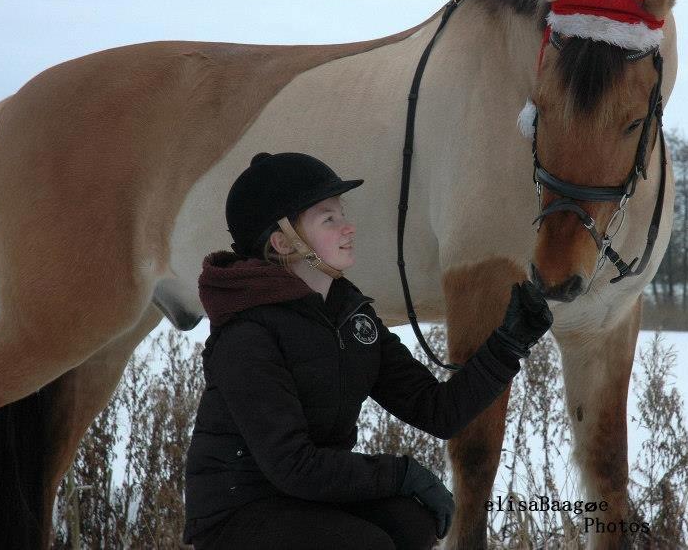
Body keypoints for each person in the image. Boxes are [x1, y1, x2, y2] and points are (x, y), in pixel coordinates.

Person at [182, 152, 553, 549]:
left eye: (342, 215)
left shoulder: (348, 314)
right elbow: (293, 466)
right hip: (238, 513)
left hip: (304, 496)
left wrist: (509, 342)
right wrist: (401, 473)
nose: (348, 228)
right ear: (283, 241)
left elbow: (437, 410)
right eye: (329, 219)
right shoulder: (248, 334)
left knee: (412, 522)